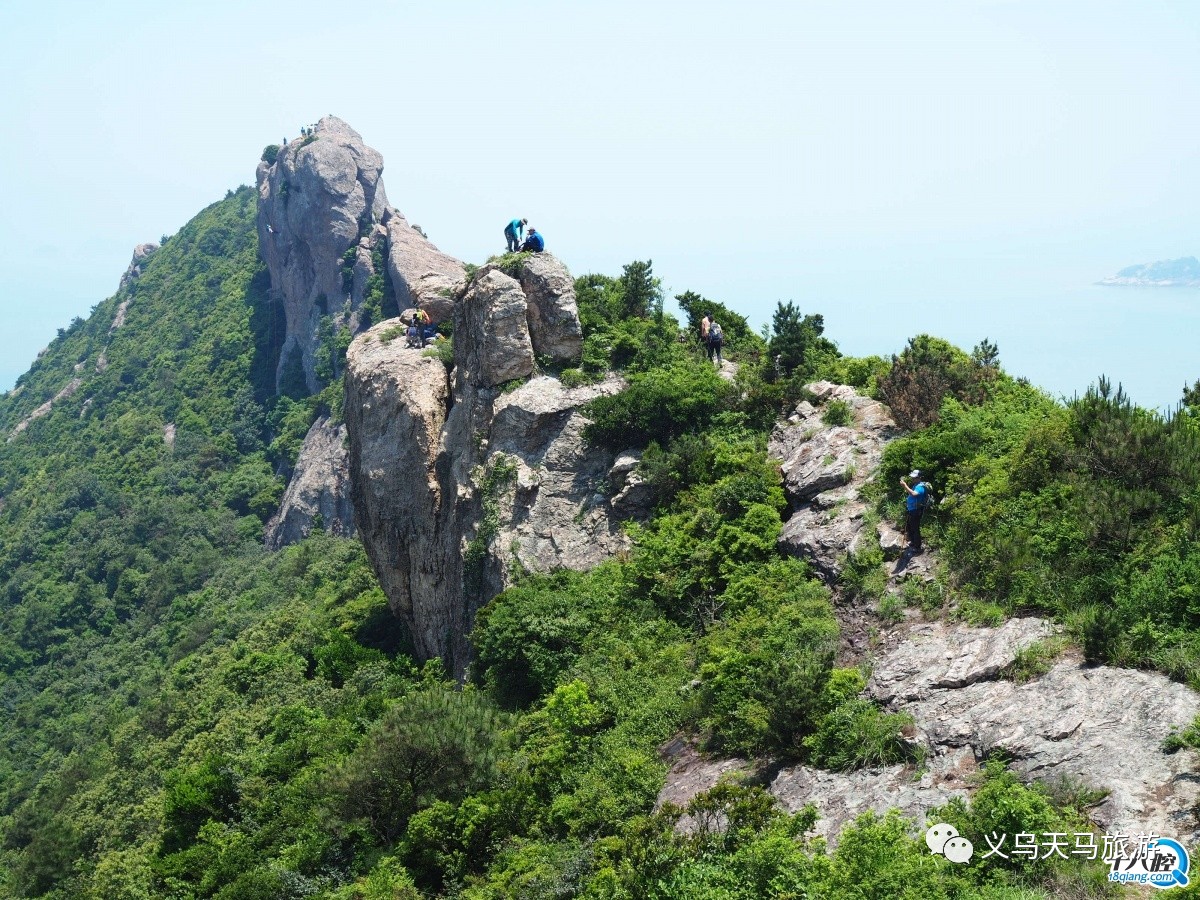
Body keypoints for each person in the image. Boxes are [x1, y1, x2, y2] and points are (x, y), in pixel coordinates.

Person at [900, 470, 928, 552]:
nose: (912, 478)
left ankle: (917, 546)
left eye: (914, 477)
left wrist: (905, 486)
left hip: (916, 511)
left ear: (919, 478)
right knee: (910, 526)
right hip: (911, 509)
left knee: (915, 528)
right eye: (912, 477)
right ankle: (913, 542)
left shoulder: (920, 487)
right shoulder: (915, 485)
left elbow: (914, 494)